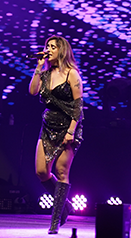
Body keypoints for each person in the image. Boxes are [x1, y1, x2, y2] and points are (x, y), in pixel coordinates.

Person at [29, 35, 84, 235]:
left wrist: (71, 131)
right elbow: (33, 91)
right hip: (48, 126)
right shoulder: (45, 74)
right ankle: (66, 205)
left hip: (68, 127)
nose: (48, 50)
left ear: (62, 50)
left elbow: (78, 106)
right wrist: (38, 67)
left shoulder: (72, 74)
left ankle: (55, 221)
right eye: (47, 46)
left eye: (53, 47)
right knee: (41, 172)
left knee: (61, 172)